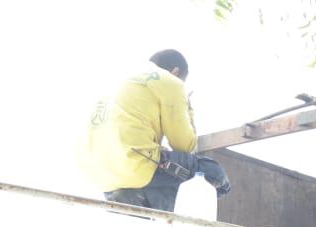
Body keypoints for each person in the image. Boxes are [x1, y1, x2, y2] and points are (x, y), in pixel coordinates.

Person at [81, 49, 232, 212]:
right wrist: (187, 106)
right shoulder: (171, 82)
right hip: (136, 164)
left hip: (103, 178)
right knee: (215, 175)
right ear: (176, 72)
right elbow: (185, 145)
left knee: (163, 178)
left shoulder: (121, 79)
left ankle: (142, 201)